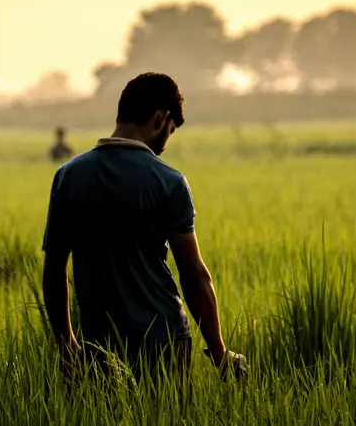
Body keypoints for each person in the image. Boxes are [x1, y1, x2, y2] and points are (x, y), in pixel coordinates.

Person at [41, 72, 246, 390]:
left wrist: (66, 342)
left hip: (98, 342)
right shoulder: (168, 181)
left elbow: (54, 270)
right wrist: (219, 352)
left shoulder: (68, 176)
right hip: (164, 341)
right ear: (160, 118)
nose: (165, 145)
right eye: (170, 131)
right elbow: (194, 276)